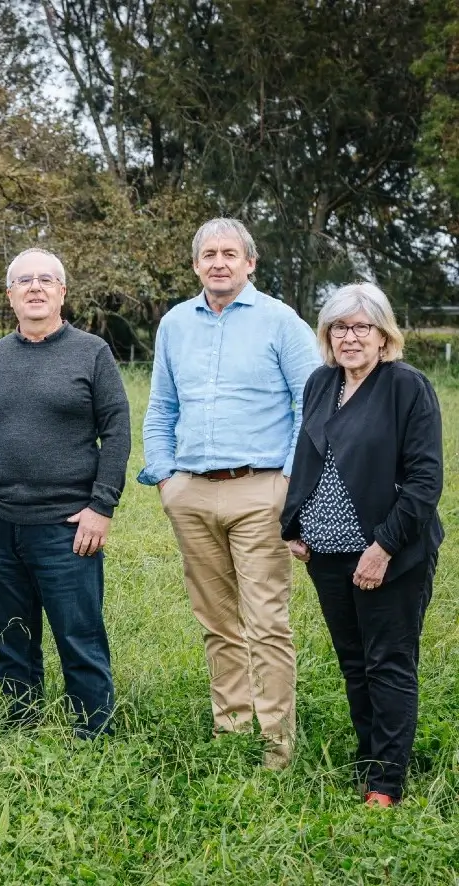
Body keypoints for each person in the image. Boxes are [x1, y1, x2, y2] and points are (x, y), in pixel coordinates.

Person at [139, 218, 321, 769]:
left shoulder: (280, 322)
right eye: (208, 254)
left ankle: (276, 744)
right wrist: (166, 477)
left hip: (260, 490)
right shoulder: (174, 323)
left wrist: (289, 482)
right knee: (217, 620)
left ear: (250, 262)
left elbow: (311, 405)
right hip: (191, 493)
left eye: (230, 253)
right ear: (196, 264)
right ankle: (232, 728)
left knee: (266, 621)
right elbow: (162, 406)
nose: (219, 262)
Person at [281, 283, 443, 807]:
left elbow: (424, 480)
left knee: (388, 662)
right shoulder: (321, 383)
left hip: (388, 553)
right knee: (354, 662)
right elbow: (310, 458)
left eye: (361, 327)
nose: (349, 338)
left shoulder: (406, 387)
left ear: (382, 334)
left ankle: (386, 785)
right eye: (339, 328)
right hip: (327, 555)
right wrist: (296, 524)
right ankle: (370, 759)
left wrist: (383, 547)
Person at [0, 248, 130, 738]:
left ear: (62, 292)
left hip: (68, 525)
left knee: (79, 635)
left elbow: (117, 430)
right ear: (10, 296)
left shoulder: (91, 352)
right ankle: (21, 725)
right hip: (0, 526)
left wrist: (101, 506)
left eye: (46, 280)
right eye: (24, 281)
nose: (35, 288)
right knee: (11, 637)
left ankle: (93, 732)